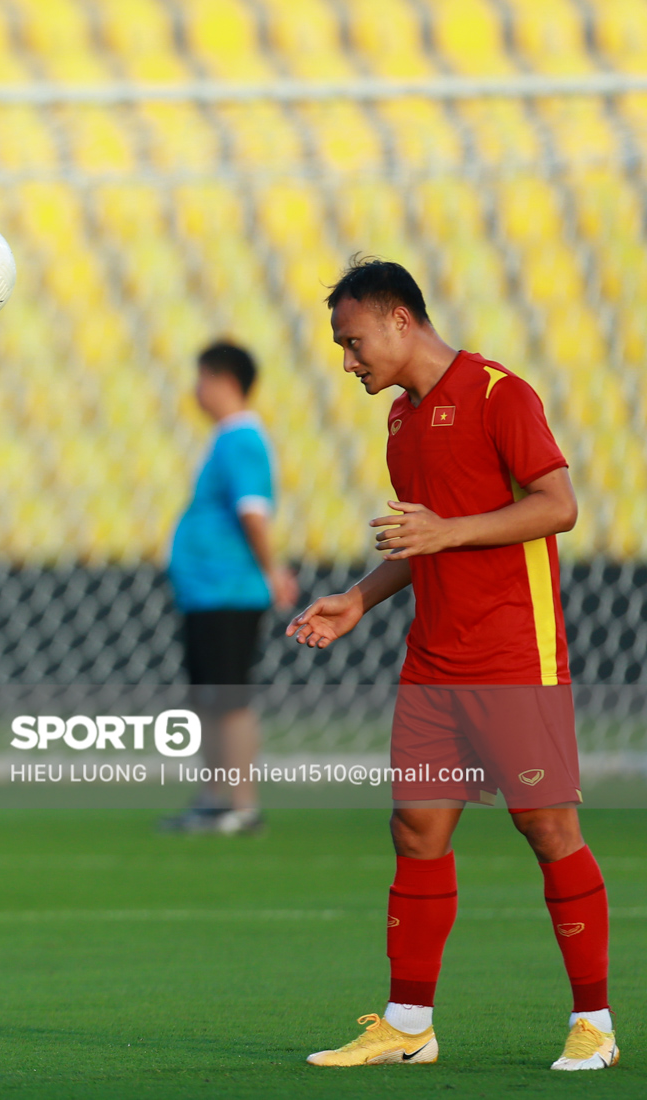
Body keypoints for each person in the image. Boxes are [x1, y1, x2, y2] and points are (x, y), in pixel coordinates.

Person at [291, 258, 613, 1071]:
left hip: (513, 656)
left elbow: (556, 504)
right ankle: (408, 1026)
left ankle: (595, 1026)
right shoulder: (401, 422)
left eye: (353, 340)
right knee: (417, 830)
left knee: (547, 829)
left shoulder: (502, 395)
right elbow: (421, 539)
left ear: (400, 321)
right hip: (432, 661)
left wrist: (445, 533)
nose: (347, 359)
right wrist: (359, 600)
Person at [161, 341, 297, 836]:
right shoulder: (227, 438)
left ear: (222, 380)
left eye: (201, 379)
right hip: (206, 591)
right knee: (208, 698)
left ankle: (241, 804)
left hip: (229, 590)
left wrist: (271, 570)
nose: (196, 391)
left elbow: (252, 511)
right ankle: (213, 799)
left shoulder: (241, 438)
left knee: (231, 698)